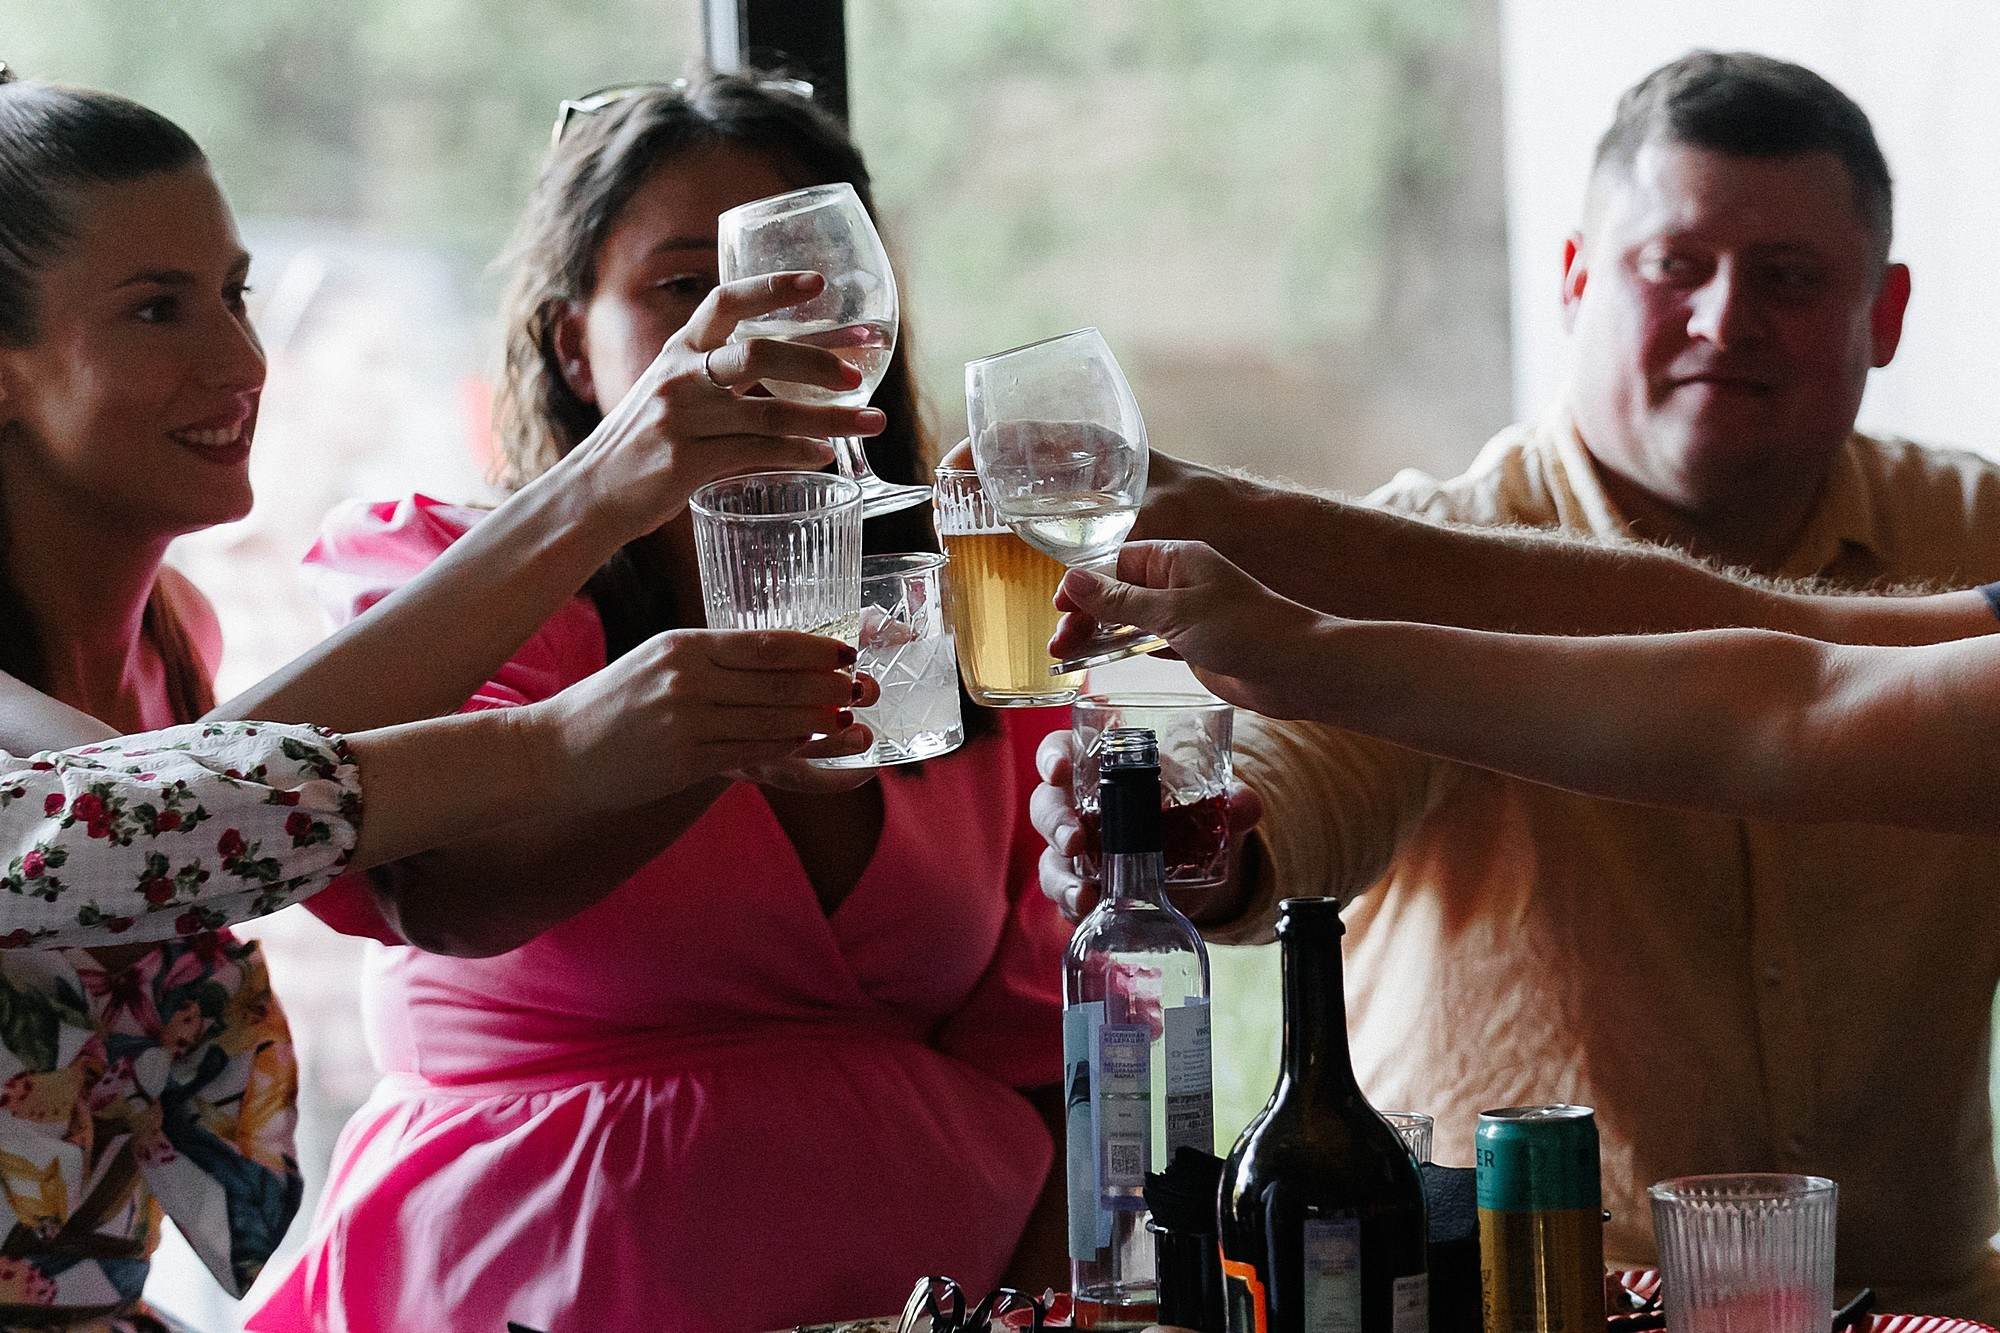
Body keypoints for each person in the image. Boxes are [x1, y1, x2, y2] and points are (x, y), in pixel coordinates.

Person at [1034, 52, 2000, 1316]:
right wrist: (1190, 842)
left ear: (1884, 312)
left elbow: (1788, 694)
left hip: (1912, 1305)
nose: (1723, 317)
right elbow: (1293, 784)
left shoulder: (1974, 529)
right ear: (1572, 280)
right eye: (1673, 265)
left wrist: (1261, 537)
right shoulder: (1425, 540)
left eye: (1788, 278)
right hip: (1537, 1303)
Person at [0, 68, 878, 1329]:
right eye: (156, 311)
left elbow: (212, 779)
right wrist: (570, 723)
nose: (241, 358)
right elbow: (154, 826)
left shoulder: (174, 644)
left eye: (235, 295)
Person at [247, 74, 1069, 1333]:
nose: (750, 328)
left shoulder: (956, 614)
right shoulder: (457, 589)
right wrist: (702, 739)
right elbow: (447, 893)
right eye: (686, 284)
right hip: (532, 1279)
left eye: (807, 282)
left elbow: (1042, 1053)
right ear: (574, 344)